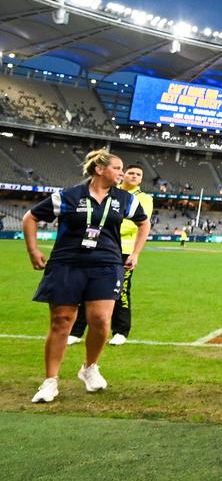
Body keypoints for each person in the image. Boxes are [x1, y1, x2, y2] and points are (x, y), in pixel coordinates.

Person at [24, 149, 150, 403]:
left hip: (106, 264)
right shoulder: (69, 196)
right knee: (62, 320)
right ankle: (50, 381)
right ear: (100, 169)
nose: (121, 173)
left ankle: (89, 368)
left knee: (101, 320)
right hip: (66, 263)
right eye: (117, 168)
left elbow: (143, 222)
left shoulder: (124, 199)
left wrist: (135, 253)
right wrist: (33, 250)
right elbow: (31, 217)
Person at [68, 162, 153, 346]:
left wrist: (105, 226)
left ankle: (121, 331)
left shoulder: (144, 198)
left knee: (121, 291)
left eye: (138, 174)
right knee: (86, 287)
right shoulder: (110, 192)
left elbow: (135, 224)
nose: (134, 176)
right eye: (131, 172)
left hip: (123, 251)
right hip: (98, 247)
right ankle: (76, 331)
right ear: (123, 174)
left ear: (141, 179)